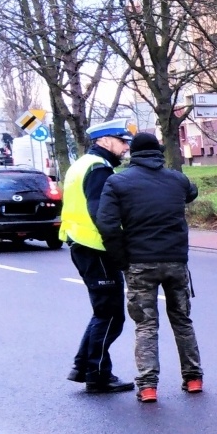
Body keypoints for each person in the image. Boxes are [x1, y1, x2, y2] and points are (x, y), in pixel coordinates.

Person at [95, 132, 202, 404]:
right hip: (176, 262)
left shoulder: (117, 183)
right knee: (183, 321)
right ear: (158, 152)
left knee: (146, 326)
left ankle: (148, 386)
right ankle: (193, 378)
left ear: (133, 152)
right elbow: (191, 191)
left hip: (139, 264)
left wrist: (122, 260)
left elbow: (107, 225)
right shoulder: (176, 179)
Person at [61, 119, 134, 394]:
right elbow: (100, 214)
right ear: (104, 141)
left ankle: (83, 367)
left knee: (103, 312)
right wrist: (118, 251)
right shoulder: (98, 170)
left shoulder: (82, 165)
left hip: (83, 244)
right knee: (111, 315)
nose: (126, 146)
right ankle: (98, 373)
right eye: (121, 140)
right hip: (96, 248)